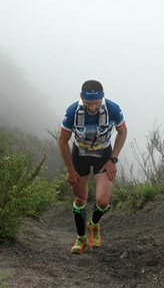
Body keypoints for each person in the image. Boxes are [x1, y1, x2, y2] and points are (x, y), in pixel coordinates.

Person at [58, 80, 128, 254]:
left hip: (103, 156)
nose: (93, 108)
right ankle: (81, 238)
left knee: (103, 200)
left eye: (96, 103)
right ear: (81, 97)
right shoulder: (72, 111)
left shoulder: (113, 109)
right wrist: (70, 170)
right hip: (80, 156)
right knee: (80, 199)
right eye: (89, 104)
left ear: (102, 97)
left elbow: (123, 131)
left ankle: (94, 225)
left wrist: (113, 160)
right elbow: (62, 140)